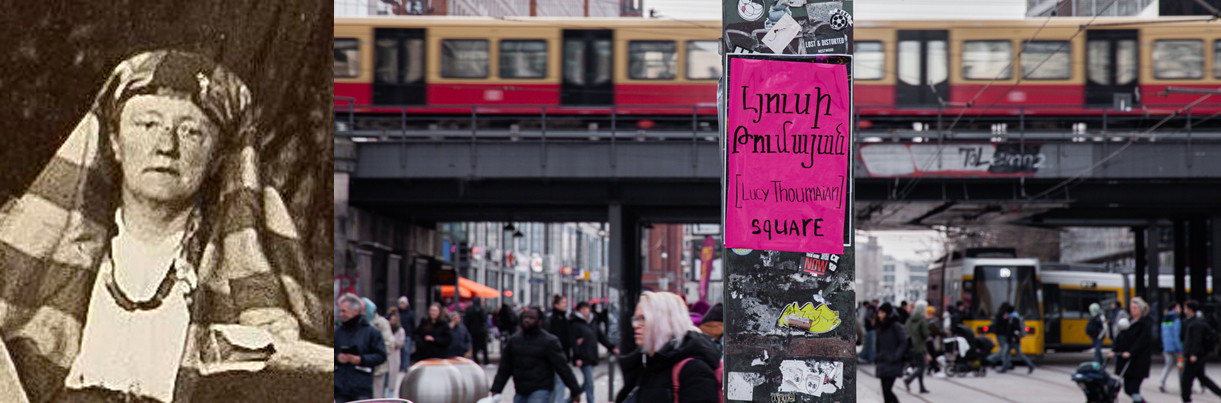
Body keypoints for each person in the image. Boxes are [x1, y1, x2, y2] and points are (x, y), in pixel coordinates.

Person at [0, 50, 333, 403]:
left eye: (190, 131)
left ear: (218, 157)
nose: (165, 146)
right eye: (147, 124)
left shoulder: (247, 281)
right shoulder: (47, 251)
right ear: (114, 141)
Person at [618, 292, 719, 402]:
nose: (635, 325)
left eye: (643, 318)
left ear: (664, 322)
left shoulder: (693, 369)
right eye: (636, 319)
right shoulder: (646, 363)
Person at [490, 307, 583, 403]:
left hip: (541, 389)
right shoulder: (514, 341)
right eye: (526, 317)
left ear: (539, 321)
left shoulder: (548, 341)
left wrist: (574, 390)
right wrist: (497, 389)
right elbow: (505, 367)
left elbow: (562, 367)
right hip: (521, 390)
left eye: (531, 318)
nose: (527, 320)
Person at [335, 294, 387, 403]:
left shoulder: (372, 332)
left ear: (356, 311)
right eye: (340, 311)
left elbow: (381, 356)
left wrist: (361, 360)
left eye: (344, 311)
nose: (341, 314)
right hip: (340, 388)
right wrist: (337, 358)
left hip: (362, 388)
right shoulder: (337, 332)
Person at [571, 301, 621, 403]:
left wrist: (611, 347)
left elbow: (601, 337)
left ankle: (570, 398)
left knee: (588, 382)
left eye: (587, 308)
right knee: (590, 382)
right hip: (583, 357)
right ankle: (591, 401)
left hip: (592, 355)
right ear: (579, 311)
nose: (585, 311)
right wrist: (577, 357)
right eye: (583, 309)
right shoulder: (575, 324)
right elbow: (574, 342)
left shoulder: (593, 323)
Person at [1111, 297, 1153, 403]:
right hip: (1127, 362)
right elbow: (1120, 337)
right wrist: (1114, 350)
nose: (1133, 310)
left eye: (1135, 308)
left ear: (1141, 309)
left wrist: (1131, 352)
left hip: (1138, 361)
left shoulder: (1145, 324)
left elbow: (1142, 341)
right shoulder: (1127, 322)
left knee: (1134, 389)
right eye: (1131, 308)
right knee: (1128, 389)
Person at [1181, 299, 1221, 402]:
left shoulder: (1196, 324)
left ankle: (1186, 399)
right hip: (1196, 355)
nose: (1183, 310)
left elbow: (1196, 340)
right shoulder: (1190, 322)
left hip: (1195, 356)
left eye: (1185, 308)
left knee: (1186, 379)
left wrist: (1193, 353)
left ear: (1190, 310)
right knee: (1202, 378)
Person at [875, 303, 908, 403]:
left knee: (887, 390)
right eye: (879, 312)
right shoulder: (881, 326)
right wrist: (877, 355)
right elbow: (878, 344)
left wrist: (896, 356)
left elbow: (903, 342)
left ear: (887, 313)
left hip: (892, 362)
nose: (879, 315)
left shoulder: (895, 325)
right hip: (883, 361)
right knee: (885, 392)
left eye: (882, 313)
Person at [363, 298, 394, 398]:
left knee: (376, 396)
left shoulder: (381, 323)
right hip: (360, 369)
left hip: (377, 369)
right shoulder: (359, 323)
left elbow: (389, 344)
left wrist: (374, 356)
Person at [548, 295, 574, 403]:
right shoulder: (551, 320)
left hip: (563, 355)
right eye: (563, 303)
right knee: (557, 382)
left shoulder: (565, 319)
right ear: (556, 305)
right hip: (554, 356)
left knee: (558, 382)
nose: (565, 305)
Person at [903, 300, 930, 393]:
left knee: (919, 366)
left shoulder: (910, 319)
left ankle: (922, 387)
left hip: (911, 345)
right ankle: (908, 380)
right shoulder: (922, 320)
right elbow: (925, 334)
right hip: (920, 345)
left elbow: (906, 330)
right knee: (922, 367)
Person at [1000, 305, 1035, 374]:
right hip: (1010, 339)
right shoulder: (1011, 317)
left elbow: (1016, 329)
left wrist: (1014, 337)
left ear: (1008, 312)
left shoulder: (1014, 318)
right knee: (1006, 354)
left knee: (1019, 354)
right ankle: (1004, 368)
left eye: (1006, 312)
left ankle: (1031, 365)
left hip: (1013, 340)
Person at [1159, 302, 1183, 393]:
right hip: (1176, 349)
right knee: (1180, 366)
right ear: (1174, 309)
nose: (1180, 309)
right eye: (1178, 307)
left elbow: (1163, 334)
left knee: (1168, 365)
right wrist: (1179, 348)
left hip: (1167, 347)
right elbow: (1176, 335)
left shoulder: (1164, 319)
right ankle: (1182, 385)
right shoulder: (1176, 319)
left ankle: (1161, 382)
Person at [386, 307, 407, 397]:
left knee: (392, 379)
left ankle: (390, 397)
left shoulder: (400, 330)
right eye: (391, 319)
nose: (393, 321)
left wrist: (392, 341)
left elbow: (400, 343)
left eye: (394, 319)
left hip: (395, 356)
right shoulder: (386, 329)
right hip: (386, 357)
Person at [466, 298, 490, 365]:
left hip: (473, 331)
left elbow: (467, 321)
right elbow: (484, 319)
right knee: (484, 347)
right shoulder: (482, 310)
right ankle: (486, 360)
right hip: (481, 331)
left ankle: (476, 359)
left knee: (474, 346)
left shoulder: (470, 310)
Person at [398, 296, 416, 370]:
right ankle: (401, 365)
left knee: (406, 350)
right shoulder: (398, 313)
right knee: (400, 351)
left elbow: (413, 324)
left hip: (407, 334)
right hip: (399, 334)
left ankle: (405, 365)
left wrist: (412, 334)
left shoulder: (410, 313)